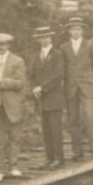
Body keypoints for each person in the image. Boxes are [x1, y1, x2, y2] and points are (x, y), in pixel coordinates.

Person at [0, 32, 28, 181]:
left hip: (14, 103)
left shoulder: (17, 61)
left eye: (3, 44)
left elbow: (20, 83)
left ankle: (14, 166)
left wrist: (0, 80)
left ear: (9, 45)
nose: (1, 48)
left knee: (15, 136)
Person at [61, 16, 93, 161]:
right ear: (69, 31)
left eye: (78, 29)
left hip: (87, 86)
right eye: (73, 29)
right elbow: (63, 69)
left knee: (90, 117)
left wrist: (90, 81)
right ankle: (77, 151)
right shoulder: (64, 48)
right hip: (71, 87)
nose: (76, 32)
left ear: (83, 30)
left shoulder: (91, 46)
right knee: (73, 120)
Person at [29, 24, 68, 169]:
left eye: (46, 37)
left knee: (56, 129)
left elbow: (58, 76)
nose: (44, 40)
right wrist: (34, 88)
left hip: (54, 97)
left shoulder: (57, 54)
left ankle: (59, 158)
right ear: (38, 40)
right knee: (46, 130)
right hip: (41, 99)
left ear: (50, 38)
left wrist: (42, 87)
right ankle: (49, 158)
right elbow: (32, 75)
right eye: (41, 38)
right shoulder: (36, 56)